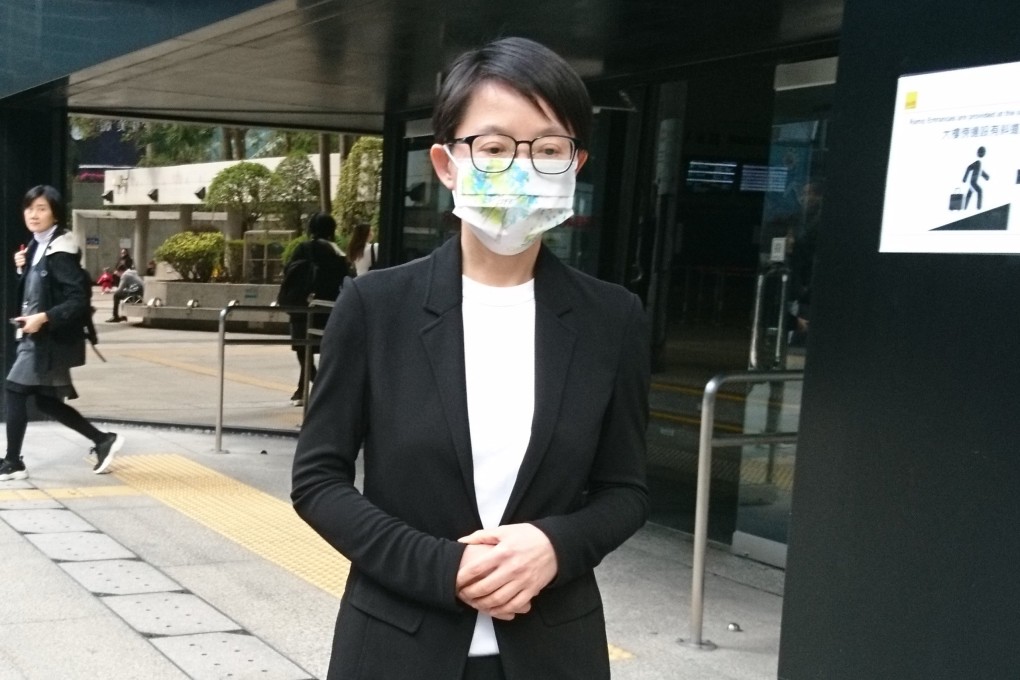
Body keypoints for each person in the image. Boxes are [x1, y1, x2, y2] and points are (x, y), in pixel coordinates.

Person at [291, 37, 650, 680]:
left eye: (547, 149)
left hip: (554, 652)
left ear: (576, 163)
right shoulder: (376, 307)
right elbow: (318, 480)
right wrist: (441, 566)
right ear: (447, 163)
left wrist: (553, 546)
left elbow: (624, 489)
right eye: (492, 147)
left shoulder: (611, 318)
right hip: (397, 645)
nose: (521, 167)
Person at [1, 185, 123, 482]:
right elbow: (36, 291)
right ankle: (102, 439)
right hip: (38, 337)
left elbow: (77, 301)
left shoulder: (60, 251)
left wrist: (42, 318)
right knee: (44, 401)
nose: (34, 214)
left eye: (42, 208)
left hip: (48, 340)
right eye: (30, 208)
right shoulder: (35, 246)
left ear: (55, 213)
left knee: (15, 391)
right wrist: (23, 269)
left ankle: (13, 461)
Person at [277, 212, 348, 406]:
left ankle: (316, 387)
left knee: (303, 347)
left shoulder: (304, 248)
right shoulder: (338, 252)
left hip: (303, 304)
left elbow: (288, 270)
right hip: (327, 308)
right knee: (319, 347)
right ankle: (302, 390)